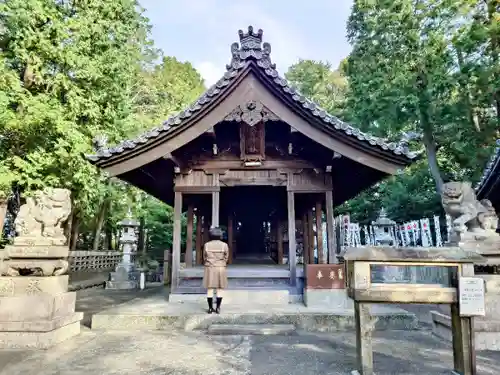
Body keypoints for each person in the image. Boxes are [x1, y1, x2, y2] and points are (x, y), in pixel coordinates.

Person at [203, 227, 229, 314]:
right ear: (220, 235)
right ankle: (218, 308)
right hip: (220, 268)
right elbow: (226, 257)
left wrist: (209, 262)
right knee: (219, 288)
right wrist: (222, 263)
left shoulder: (206, 245)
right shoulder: (224, 245)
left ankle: (210, 308)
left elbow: (204, 257)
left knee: (209, 288)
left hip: (209, 268)